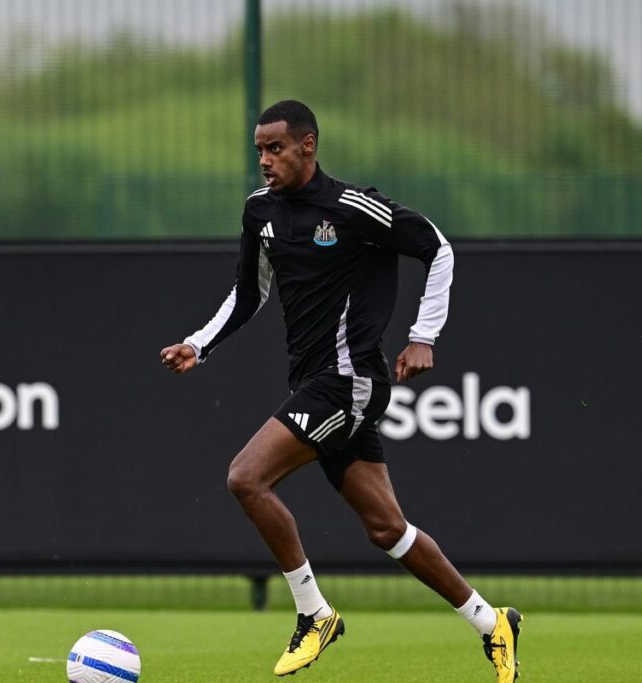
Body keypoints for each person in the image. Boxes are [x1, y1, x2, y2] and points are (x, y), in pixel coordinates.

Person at [160, 100, 521, 681]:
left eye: (275, 148)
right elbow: (249, 292)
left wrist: (423, 335)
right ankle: (492, 622)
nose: (264, 160)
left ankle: (314, 614)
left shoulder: (353, 208)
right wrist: (198, 344)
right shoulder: (260, 211)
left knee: (246, 478)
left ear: (308, 145)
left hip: (349, 381)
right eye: (259, 150)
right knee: (387, 530)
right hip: (314, 381)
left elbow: (437, 247)